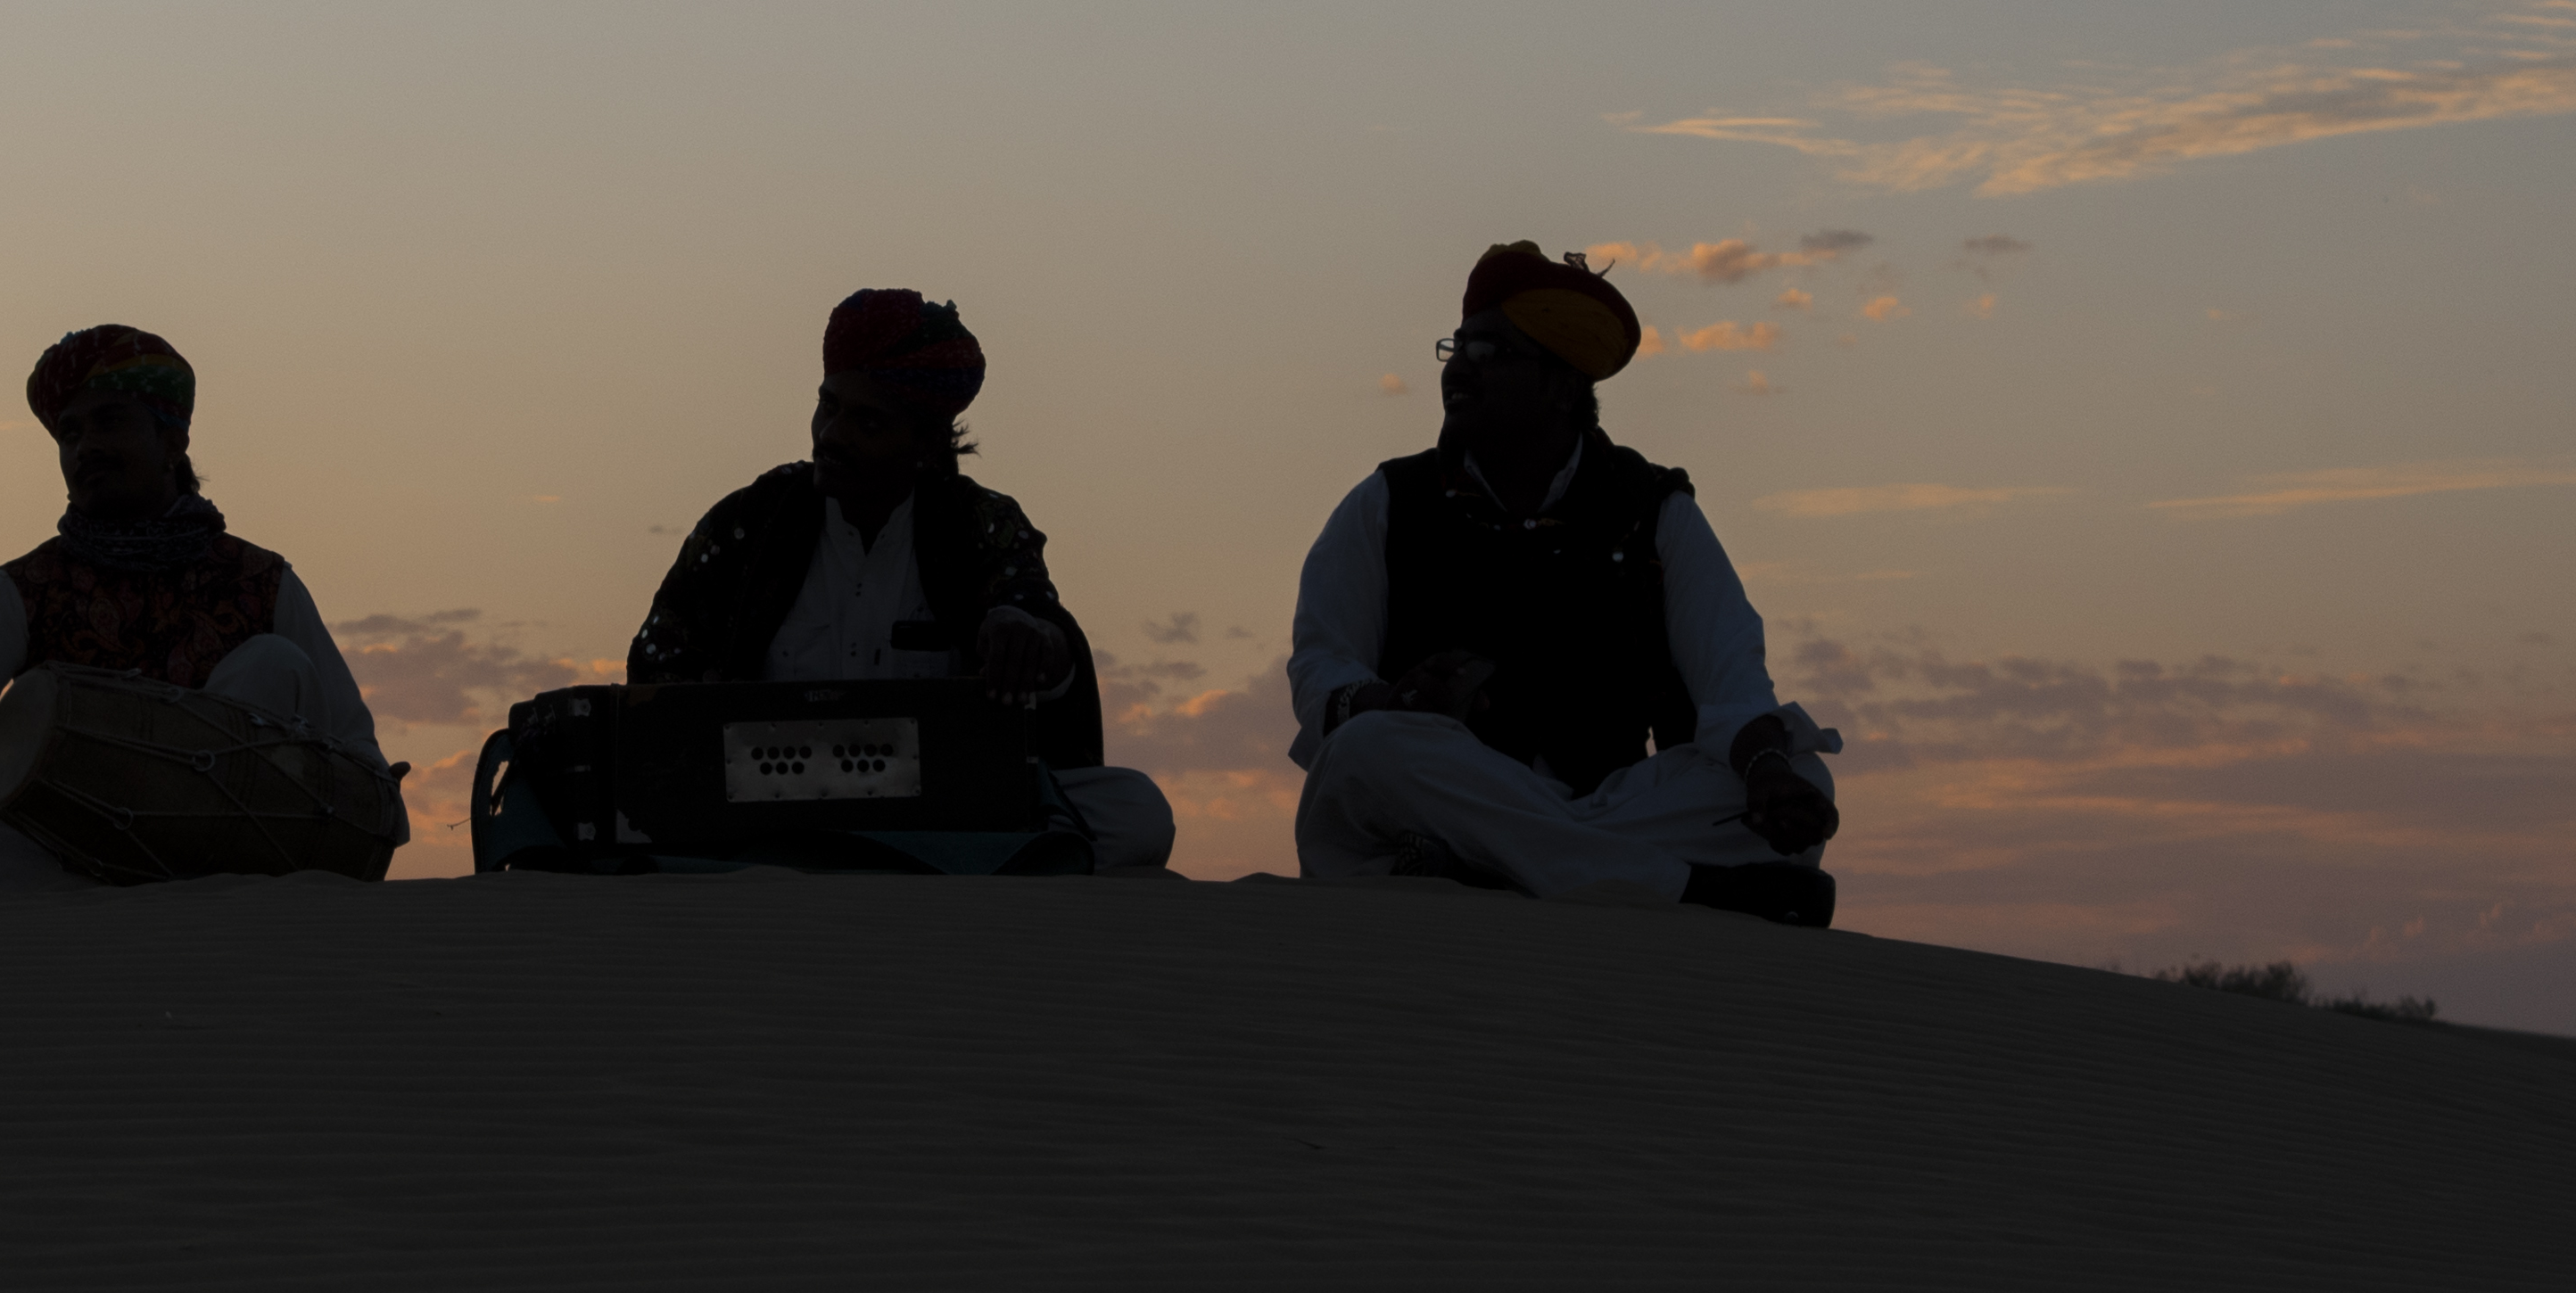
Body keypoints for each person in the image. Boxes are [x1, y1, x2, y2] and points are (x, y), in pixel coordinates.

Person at [1284, 242, 1842, 924]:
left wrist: (1768, 776)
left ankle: (1493, 867)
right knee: (1367, 750)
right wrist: (1386, 698)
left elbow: (1732, 683)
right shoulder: (1389, 502)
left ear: (1563, 386)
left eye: (1490, 352)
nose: (1459, 368)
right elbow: (1319, 664)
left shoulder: (1653, 512)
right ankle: (1683, 890)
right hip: (1448, 785)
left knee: (1801, 774)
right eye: (1455, 348)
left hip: (1601, 799)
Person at [623, 291, 1180, 871]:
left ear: (927, 445)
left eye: (867, 420)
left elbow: (1033, 621)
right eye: (828, 406)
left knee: (1137, 810)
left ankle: (849, 860)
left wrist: (1036, 644)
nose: (832, 435)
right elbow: (658, 670)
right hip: (768, 794)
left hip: (938, 798)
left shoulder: (979, 526)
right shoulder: (749, 524)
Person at [0, 326, 389, 896]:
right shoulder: (29, 586)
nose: (85, 447)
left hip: (225, 871)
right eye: (70, 433)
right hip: (65, 864)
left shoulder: (262, 582)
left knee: (272, 663)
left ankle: (179, 910)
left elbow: (358, 756)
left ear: (173, 444)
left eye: (109, 422)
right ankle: (100, 923)